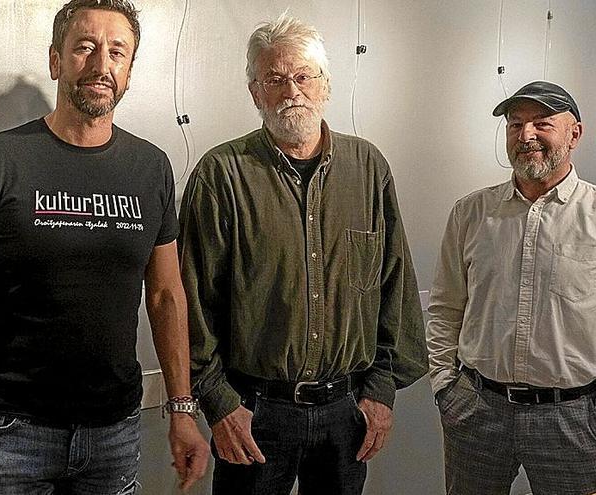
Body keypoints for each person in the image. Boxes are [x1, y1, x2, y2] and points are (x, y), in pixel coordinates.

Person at [0, 1, 209, 494]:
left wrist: (181, 409)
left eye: (117, 52)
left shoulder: (152, 168)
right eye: (85, 47)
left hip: (115, 433)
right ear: (56, 60)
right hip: (10, 435)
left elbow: (167, 297)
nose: (102, 65)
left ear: (129, 71)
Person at [178, 12, 427, 495]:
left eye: (303, 76)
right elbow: (192, 300)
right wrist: (219, 404)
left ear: (325, 85)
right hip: (253, 412)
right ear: (255, 93)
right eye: (273, 79)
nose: (291, 90)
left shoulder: (368, 167)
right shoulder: (221, 174)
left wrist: (381, 392)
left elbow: (394, 282)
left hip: (347, 411)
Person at [426, 81, 596, 495]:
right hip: (478, 411)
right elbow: (446, 307)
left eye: (542, 123)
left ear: (575, 134)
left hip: (573, 419)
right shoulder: (471, 212)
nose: (526, 135)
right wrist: (446, 387)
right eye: (515, 124)